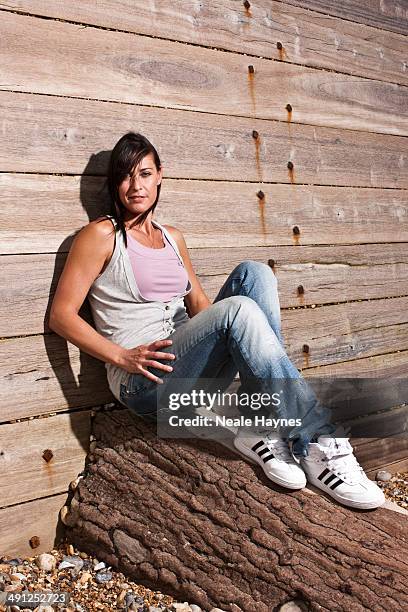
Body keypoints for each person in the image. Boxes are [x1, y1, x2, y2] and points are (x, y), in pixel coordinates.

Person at [49, 132, 384, 510]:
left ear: (160, 175)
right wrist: (120, 357)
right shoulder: (101, 235)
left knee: (255, 274)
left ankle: (261, 423)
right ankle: (318, 440)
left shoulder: (172, 238)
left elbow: (202, 311)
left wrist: (234, 336)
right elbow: (61, 316)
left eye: (144, 173)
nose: (135, 185)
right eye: (125, 176)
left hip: (187, 367)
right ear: (115, 183)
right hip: (142, 384)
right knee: (238, 309)